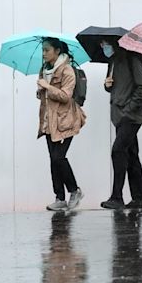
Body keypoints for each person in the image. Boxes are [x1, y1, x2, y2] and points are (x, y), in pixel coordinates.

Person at [100, 39, 142, 209]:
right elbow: (118, 88)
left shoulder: (131, 60)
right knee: (131, 155)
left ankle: (117, 197)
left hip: (130, 116)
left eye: (105, 44)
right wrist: (107, 86)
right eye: (101, 45)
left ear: (114, 44)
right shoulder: (113, 62)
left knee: (118, 150)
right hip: (119, 116)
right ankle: (140, 198)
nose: (103, 47)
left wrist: (129, 108)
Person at [37, 37, 86, 211]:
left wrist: (47, 87)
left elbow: (65, 96)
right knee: (53, 160)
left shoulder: (67, 70)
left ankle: (75, 190)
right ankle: (60, 198)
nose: (43, 54)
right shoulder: (44, 69)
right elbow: (43, 97)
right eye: (42, 50)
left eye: (47, 50)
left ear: (57, 51)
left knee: (59, 157)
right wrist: (40, 90)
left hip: (66, 121)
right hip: (49, 121)